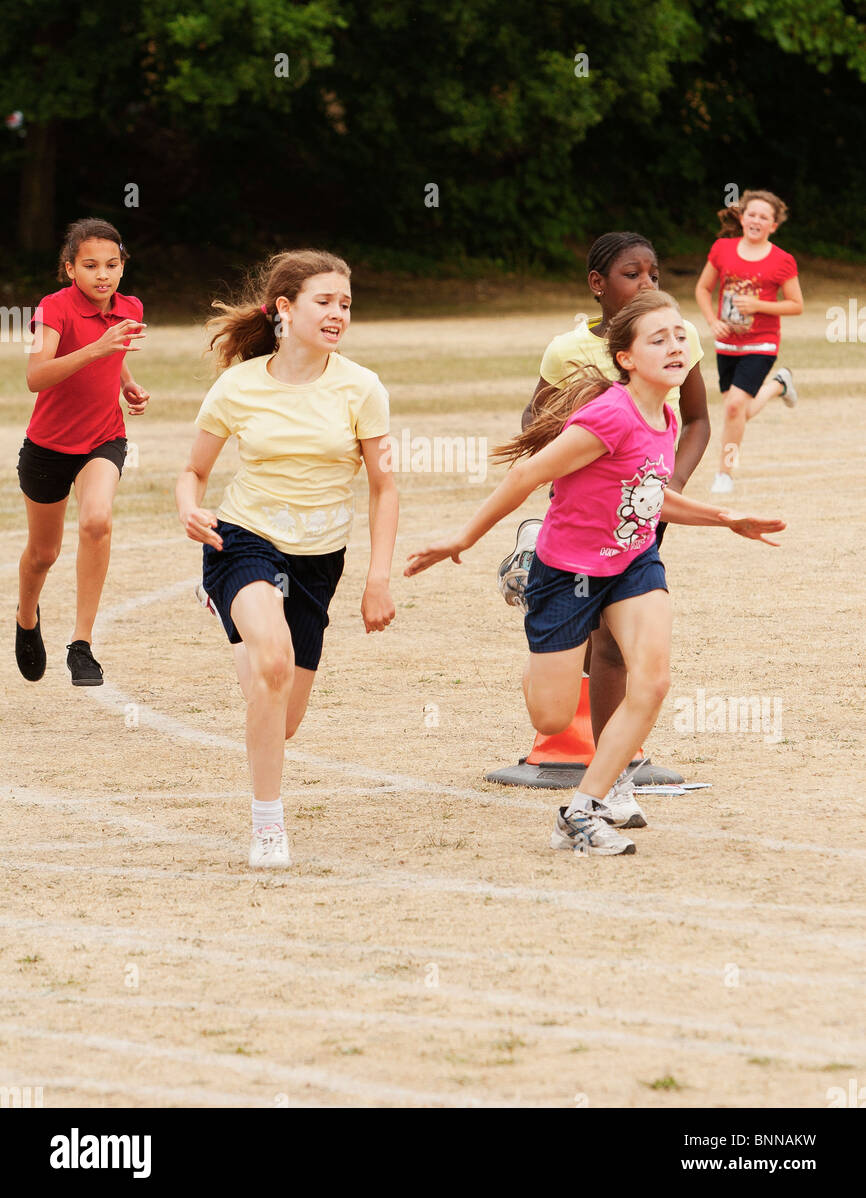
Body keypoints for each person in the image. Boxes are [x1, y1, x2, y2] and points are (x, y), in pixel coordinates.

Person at [405, 290, 784, 857]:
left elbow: (651, 496)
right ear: (627, 358)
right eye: (658, 339)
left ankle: (582, 810)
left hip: (631, 563)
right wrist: (463, 538)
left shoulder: (667, 415)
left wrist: (726, 518)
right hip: (567, 569)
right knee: (552, 714)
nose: (677, 346)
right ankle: (529, 556)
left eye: (680, 335)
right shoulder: (609, 414)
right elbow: (528, 476)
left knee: (652, 681)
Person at [176, 250, 398, 870]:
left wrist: (377, 579)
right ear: (285, 309)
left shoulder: (361, 387)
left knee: (282, 714)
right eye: (324, 301)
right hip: (243, 538)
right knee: (271, 660)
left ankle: (246, 624)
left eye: (346, 304)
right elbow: (192, 471)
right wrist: (189, 508)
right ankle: (268, 826)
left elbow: (384, 488)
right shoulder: (239, 384)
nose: (337, 314)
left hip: (319, 560)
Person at [511, 232, 710, 785]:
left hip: (644, 505)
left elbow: (697, 420)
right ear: (598, 285)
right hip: (581, 513)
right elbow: (533, 425)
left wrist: (669, 485)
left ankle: (613, 771)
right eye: (631, 274)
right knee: (579, 637)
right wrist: (584, 442)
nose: (646, 283)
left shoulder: (678, 337)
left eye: (653, 273)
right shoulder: (567, 350)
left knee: (616, 645)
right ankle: (561, 720)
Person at [15, 218, 148, 687]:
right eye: (90, 265)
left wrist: (128, 384)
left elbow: (116, 355)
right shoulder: (54, 309)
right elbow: (36, 376)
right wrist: (96, 350)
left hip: (103, 438)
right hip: (48, 447)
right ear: (70, 269)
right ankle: (26, 618)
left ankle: (81, 645)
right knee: (43, 553)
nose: (103, 274)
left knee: (96, 520)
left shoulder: (129, 306)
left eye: (112, 265)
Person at [695, 190, 803, 494]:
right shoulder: (721, 249)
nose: (756, 220)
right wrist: (712, 321)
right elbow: (703, 290)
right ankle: (778, 385)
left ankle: (724, 473)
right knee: (736, 410)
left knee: (733, 407)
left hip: (762, 343)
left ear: (774, 225)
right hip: (727, 344)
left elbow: (796, 305)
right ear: (742, 218)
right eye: (752, 214)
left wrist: (759, 306)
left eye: (764, 217)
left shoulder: (782, 260)